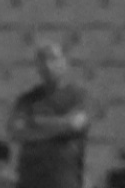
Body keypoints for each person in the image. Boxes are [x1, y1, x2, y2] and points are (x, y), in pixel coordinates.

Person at [7, 42, 90, 188]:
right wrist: (60, 127)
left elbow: (75, 124)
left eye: (53, 59)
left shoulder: (78, 96)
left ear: (65, 63)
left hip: (63, 180)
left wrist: (35, 123)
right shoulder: (28, 99)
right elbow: (16, 131)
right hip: (30, 180)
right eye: (42, 60)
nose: (48, 65)